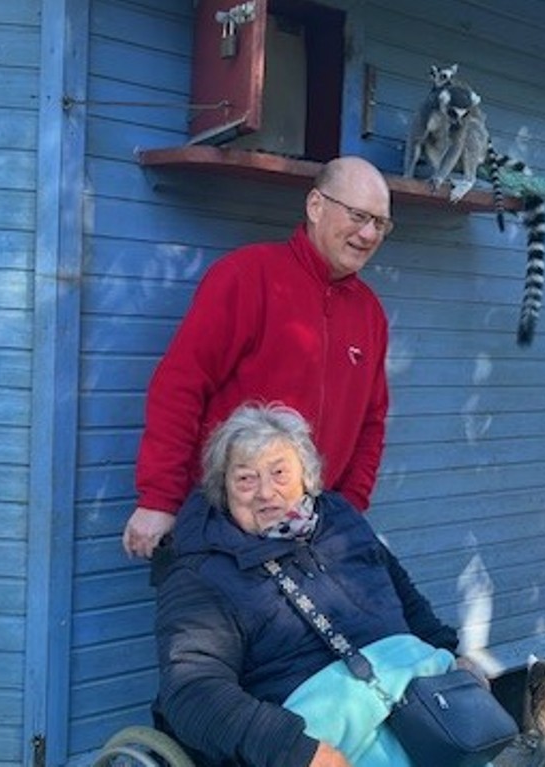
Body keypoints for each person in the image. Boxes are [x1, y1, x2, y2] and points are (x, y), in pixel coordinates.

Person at [153, 403, 482, 767]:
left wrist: (449, 652)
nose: (265, 492)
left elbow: (405, 597)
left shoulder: (341, 520)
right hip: (314, 736)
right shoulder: (201, 573)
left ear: (306, 476)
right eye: (246, 479)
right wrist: (294, 749)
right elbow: (192, 691)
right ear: (223, 489)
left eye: (279, 473)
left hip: (414, 701)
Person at [123, 156, 394, 559]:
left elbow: (371, 422)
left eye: (380, 223)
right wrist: (160, 498)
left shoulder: (369, 313)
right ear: (316, 206)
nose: (368, 233)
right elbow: (179, 386)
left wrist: (348, 508)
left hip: (312, 529)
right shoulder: (246, 276)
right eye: (358, 216)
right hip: (225, 523)